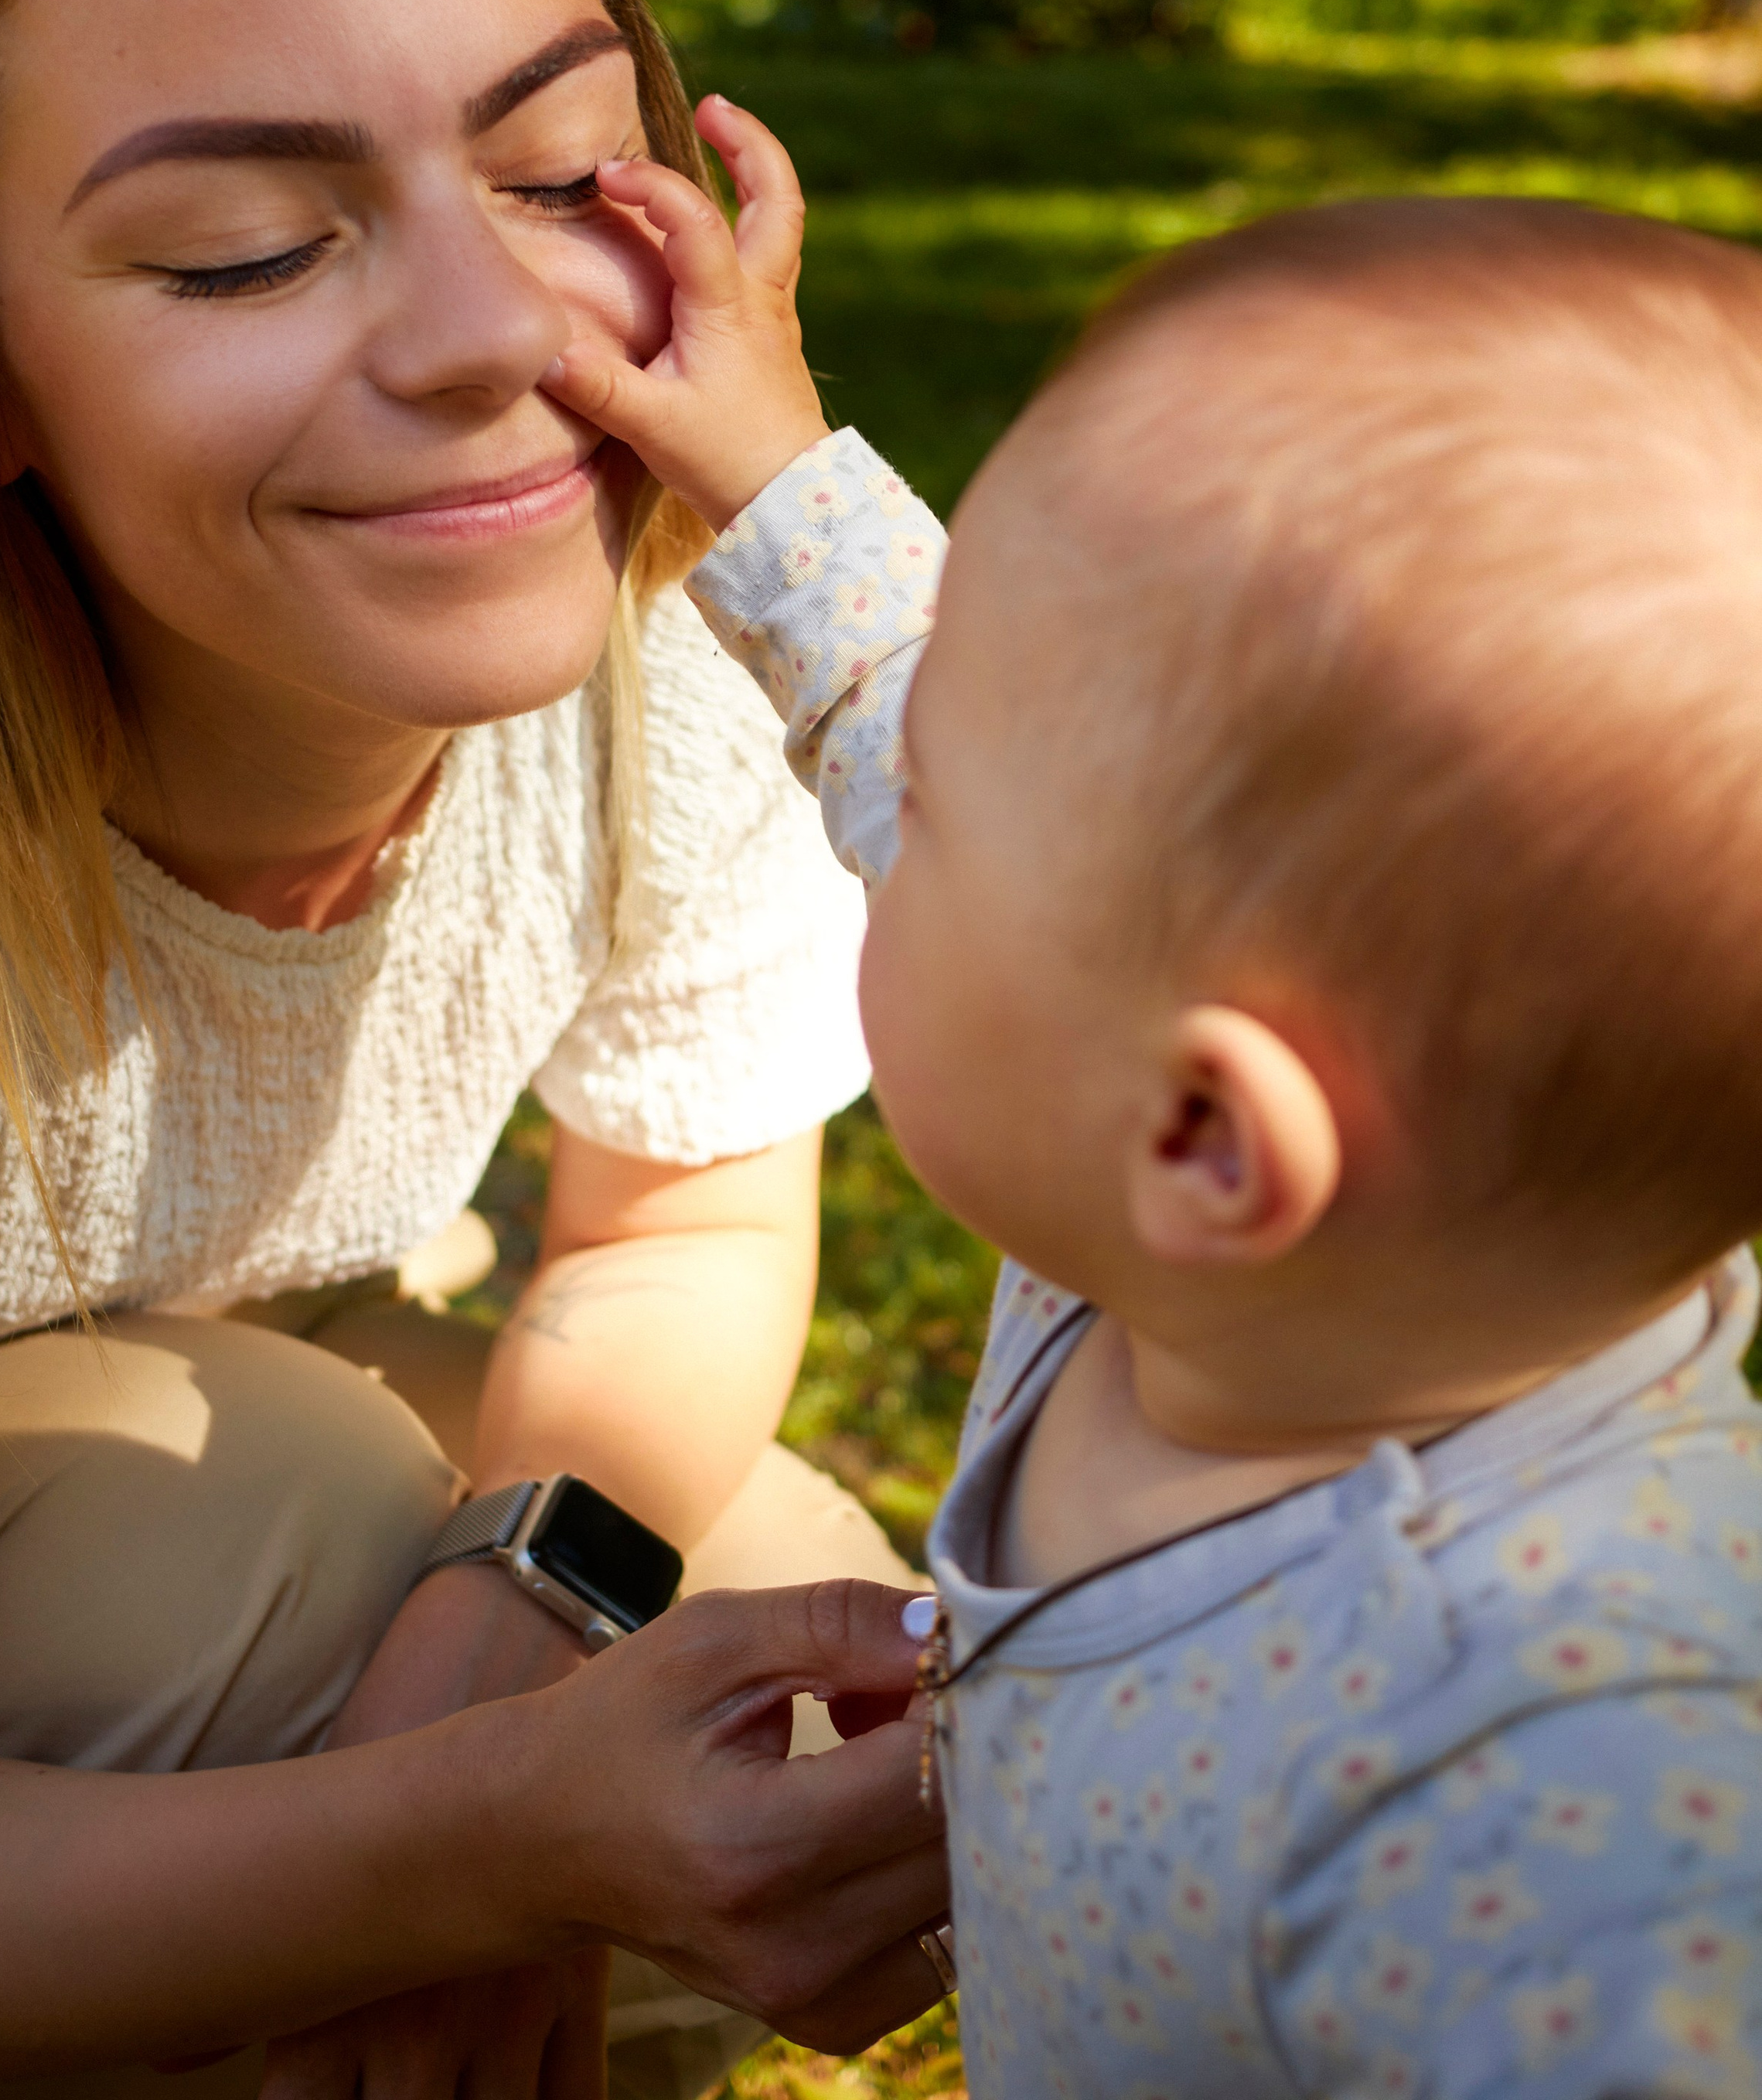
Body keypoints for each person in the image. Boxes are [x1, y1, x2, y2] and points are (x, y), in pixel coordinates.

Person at [0, 0, 947, 2100]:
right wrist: (462, 1853)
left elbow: (681, 1227)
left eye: (553, 159)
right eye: (249, 246)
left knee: (785, 1641)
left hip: (171, 1426)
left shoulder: (664, 627)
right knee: (275, 1526)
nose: (491, 339)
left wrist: (487, 1682)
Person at [557, 119, 1762, 2093]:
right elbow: (897, 677)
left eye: (928, 811)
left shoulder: (1565, 1774)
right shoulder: (1232, 1253)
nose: (885, 788)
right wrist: (764, 462)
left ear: (1208, 1138)